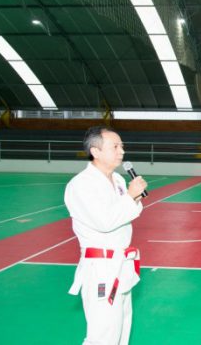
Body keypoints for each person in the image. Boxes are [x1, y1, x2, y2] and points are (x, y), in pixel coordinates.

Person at [65, 126, 148, 345]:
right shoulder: (82, 185)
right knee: (103, 335)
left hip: (121, 265)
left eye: (122, 146)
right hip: (100, 268)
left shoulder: (119, 181)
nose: (121, 151)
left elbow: (130, 213)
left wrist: (135, 198)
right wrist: (130, 197)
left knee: (121, 331)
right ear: (96, 151)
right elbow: (104, 222)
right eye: (115, 146)